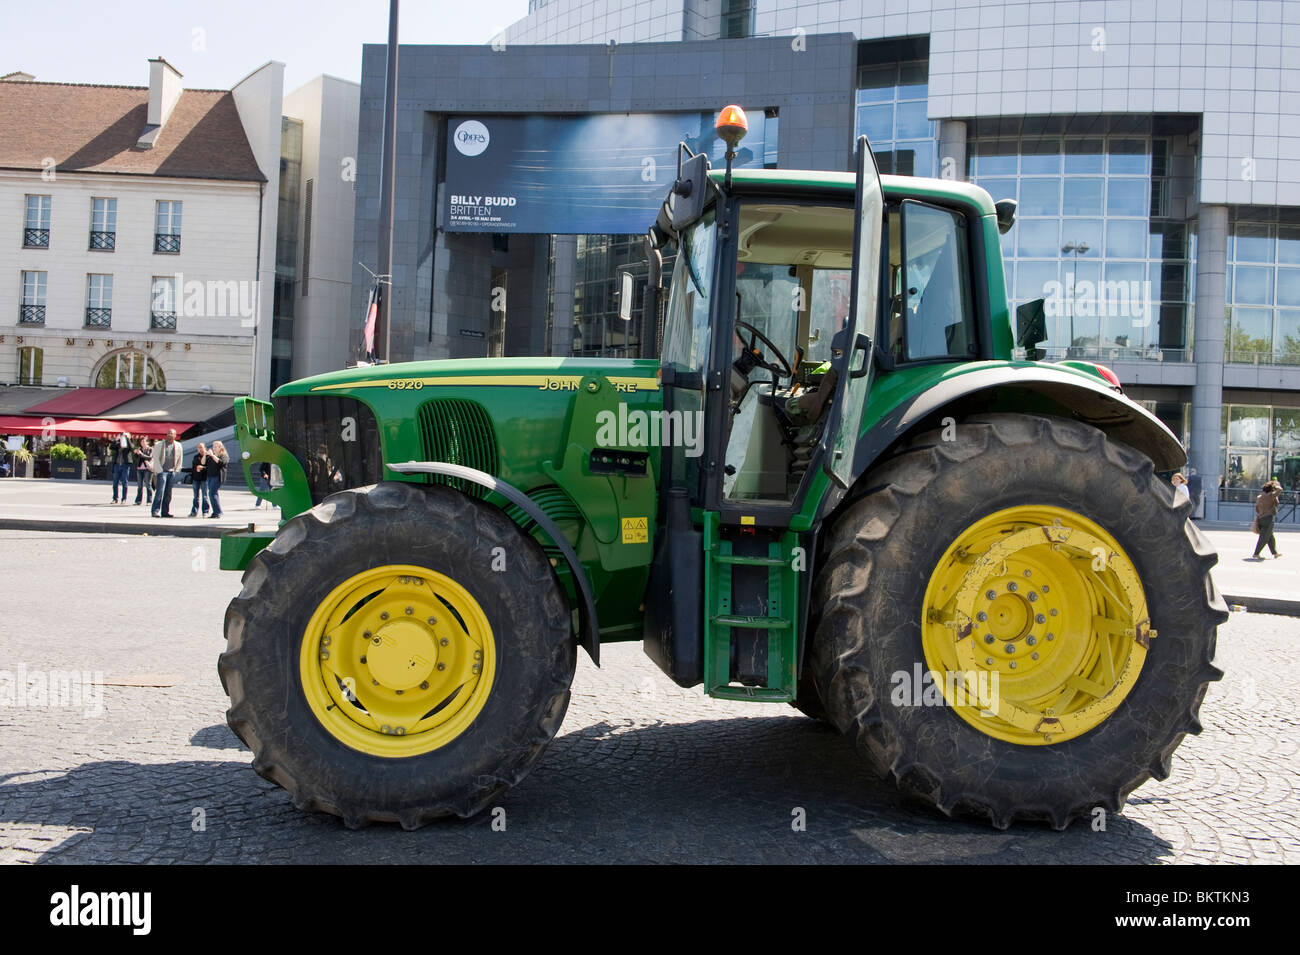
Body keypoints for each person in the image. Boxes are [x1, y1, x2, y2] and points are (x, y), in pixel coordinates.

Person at [150, 428, 184, 518]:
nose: (170, 435)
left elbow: (180, 458)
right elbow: (156, 458)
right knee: (160, 491)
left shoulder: (178, 445)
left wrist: (177, 470)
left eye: (172, 433)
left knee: (168, 493)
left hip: (172, 472)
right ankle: (155, 511)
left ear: (175, 436)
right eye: (169, 433)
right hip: (162, 471)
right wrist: (159, 470)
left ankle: (165, 512)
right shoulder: (159, 444)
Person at [1252, 480, 1283, 559]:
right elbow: (1280, 490)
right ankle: (1256, 553)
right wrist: (1275, 486)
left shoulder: (1259, 497)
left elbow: (1257, 509)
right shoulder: (1270, 496)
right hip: (1268, 518)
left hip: (1261, 518)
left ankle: (1275, 553)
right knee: (1264, 537)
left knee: (1270, 537)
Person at [206, 440, 229, 518]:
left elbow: (221, 463)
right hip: (210, 476)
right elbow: (204, 463)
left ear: (220, 448)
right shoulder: (211, 456)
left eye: (216, 447)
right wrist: (205, 455)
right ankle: (216, 512)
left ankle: (218, 512)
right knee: (213, 494)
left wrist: (212, 455)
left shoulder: (224, 455)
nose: (214, 448)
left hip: (218, 477)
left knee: (212, 493)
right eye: (213, 446)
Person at [109, 430, 133, 504]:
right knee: (115, 482)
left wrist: (127, 438)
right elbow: (111, 447)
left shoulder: (128, 444)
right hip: (117, 464)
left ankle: (124, 499)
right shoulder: (118, 443)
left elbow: (131, 447)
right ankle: (115, 498)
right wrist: (116, 439)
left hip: (125, 465)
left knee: (124, 482)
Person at [187, 442, 210, 517]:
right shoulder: (196, 456)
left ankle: (205, 511)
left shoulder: (208, 457)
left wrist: (202, 467)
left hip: (204, 478)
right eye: (199, 447)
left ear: (205, 448)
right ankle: (194, 511)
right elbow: (194, 467)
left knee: (205, 496)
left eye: (201, 447)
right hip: (196, 478)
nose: (200, 449)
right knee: (196, 496)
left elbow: (210, 467)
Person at [133, 437, 153, 504]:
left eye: (144, 441)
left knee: (148, 484)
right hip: (139, 468)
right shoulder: (139, 449)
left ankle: (149, 500)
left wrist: (141, 454)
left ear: (147, 442)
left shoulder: (150, 449)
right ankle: (138, 500)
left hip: (147, 468)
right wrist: (136, 453)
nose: (143, 443)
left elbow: (149, 457)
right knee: (139, 485)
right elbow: (135, 458)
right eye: (141, 442)